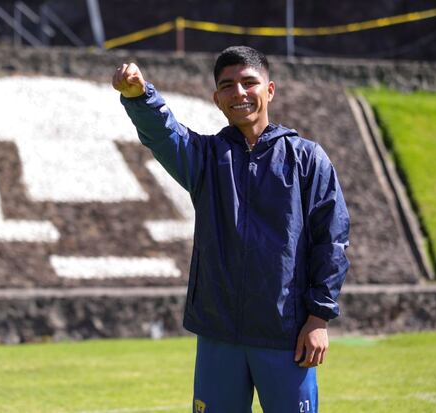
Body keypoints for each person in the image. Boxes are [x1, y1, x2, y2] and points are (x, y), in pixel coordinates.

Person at [112, 46, 349, 413]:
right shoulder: (205, 158)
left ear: (270, 90)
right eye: (227, 86)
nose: (239, 92)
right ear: (217, 99)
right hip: (219, 334)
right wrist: (140, 98)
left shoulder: (307, 159)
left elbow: (331, 242)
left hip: (285, 333)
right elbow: (164, 134)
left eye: (249, 82)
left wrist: (318, 318)